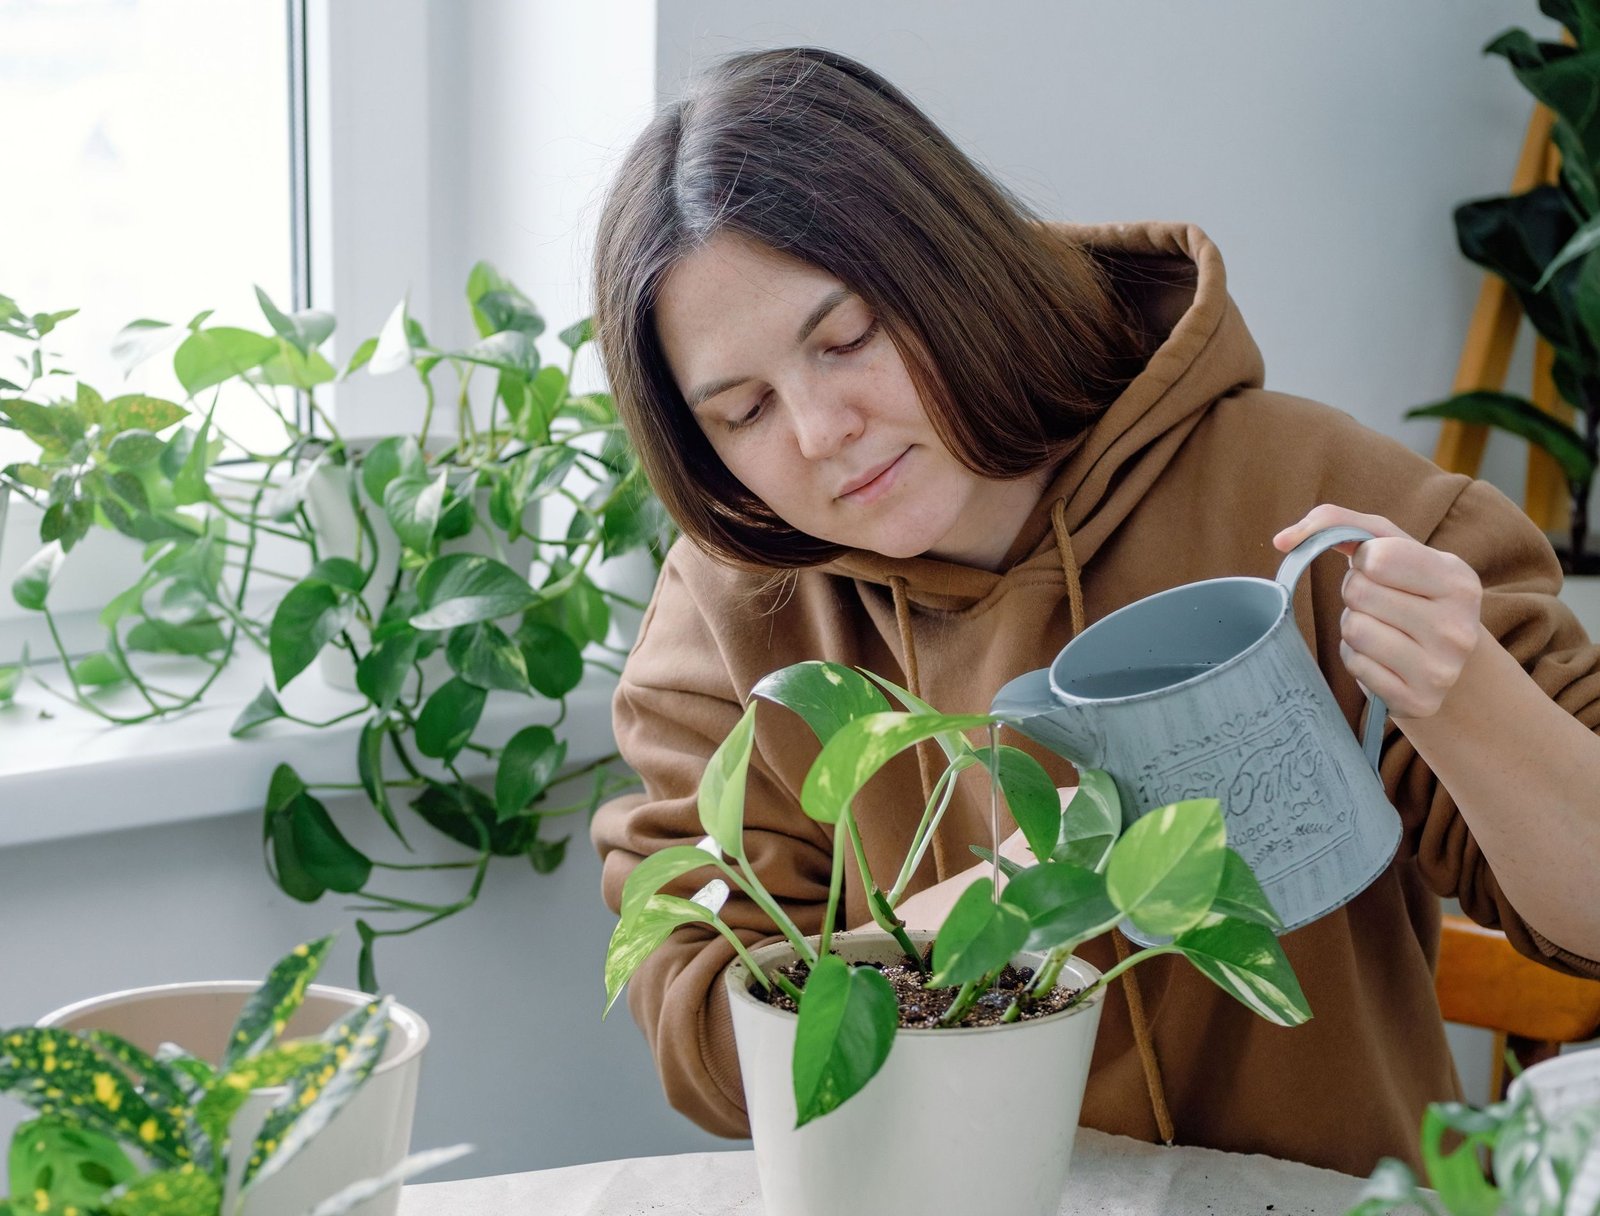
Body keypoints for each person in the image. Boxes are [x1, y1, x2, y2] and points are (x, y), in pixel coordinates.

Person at [587, 45, 1600, 1176]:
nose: (821, 431)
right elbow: (709, 1048)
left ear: (946, 268)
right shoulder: (730, 617)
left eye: (847, 340)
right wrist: (1016, 899)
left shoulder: (1311, 501)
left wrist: (1464, 693)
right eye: (743, 410)